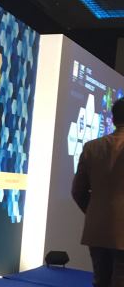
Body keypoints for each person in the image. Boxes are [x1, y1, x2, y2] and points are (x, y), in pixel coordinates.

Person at [72, 97, 124, 287]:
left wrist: (96, 212)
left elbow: (78, 191)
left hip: (97, 229)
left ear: (113, 119)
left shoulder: (91, 147)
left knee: (101, 281)